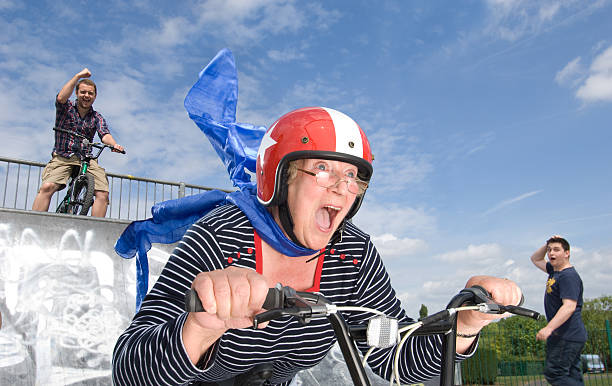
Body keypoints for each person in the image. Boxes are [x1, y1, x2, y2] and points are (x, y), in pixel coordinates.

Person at [112, 107, 522, 386]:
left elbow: (395, 357)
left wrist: (464, 324)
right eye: (322, 170)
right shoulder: (221, 236)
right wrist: (199, 328)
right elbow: (129, 367)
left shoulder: (353, 255)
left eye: (353, 177)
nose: (342, 189)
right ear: (281, 177)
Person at [32, 68, 124, 217]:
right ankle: (32, 224)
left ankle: (94, 230)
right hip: (64, 156)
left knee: (103, 194)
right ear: (76, 93)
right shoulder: (66, 108)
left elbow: (104, 134)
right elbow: (61, 98)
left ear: (95, 96)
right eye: (83, 92)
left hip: (86, 159)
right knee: (48, 187)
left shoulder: (96, 117)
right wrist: (78, 76)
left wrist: (114, 144)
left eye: (90, 93)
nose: (86, 96)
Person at [530, 235, 587, 386]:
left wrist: (549, 328)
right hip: (567, 335)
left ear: (567, 253)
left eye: (556, 250)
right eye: (549, 250)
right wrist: (547, 243)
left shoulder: (568, 276)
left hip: (566, 335)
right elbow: (535, 259)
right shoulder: (554, 271)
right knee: (572, 376)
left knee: (555, 373)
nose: (551, 253)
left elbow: (569, 306)